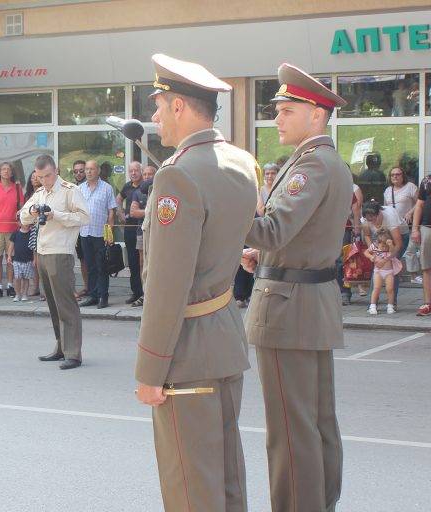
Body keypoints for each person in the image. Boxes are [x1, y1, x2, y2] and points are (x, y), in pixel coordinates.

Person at [134, 54, 257, 512]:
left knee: (190, 488)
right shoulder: (240, 161)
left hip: (187, 352)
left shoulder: (178, 174)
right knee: (226, 481)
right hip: (224, 337)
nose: (155, 117)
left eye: (158, 106)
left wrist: (150, 371)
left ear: (179, 106)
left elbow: (167, 286)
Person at [241, 63, 351, 512]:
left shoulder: (311, 165)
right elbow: (300, 238)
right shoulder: (327, 162)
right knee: (316, 421)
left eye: (287, 110)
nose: (277, 118)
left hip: (287, 309)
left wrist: (221, 208)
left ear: (316, 115)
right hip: (308, 301)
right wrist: (263, 256)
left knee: (290, 429)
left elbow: (272, 230)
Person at [20, 154, 89, 370]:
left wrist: (56, 215)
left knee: (66, 304)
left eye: (48, 176)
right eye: (40, 177)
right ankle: (61, 347)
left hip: (60, 252)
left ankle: (73, 353)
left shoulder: (69, 190)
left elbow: (84, 217)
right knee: (53, 305)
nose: (44, 181)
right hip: (42, 252)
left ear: (56, 170)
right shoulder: (40, 193)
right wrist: (32, 211)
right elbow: (22, 216)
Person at [77, 160, 116, 309]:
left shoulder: (107, 188)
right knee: (90, 266)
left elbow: (111, 212)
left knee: (102, 266)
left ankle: (103, 296)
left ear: (98, 171)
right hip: (85, 233)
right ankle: (93, 295)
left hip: (100, 234)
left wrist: (109, 235)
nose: (88, 172)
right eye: (86, 169)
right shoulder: (80, 189)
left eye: (91, 169)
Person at [0, 162, 24, 299]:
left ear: (12, 173)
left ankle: (10, 285)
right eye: (3, 169)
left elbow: (22, 208)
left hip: (12, 230)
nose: (6, 171)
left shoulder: (17, 188)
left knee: (10, 259)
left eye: (8, 169)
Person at [362, 200, 405, 306]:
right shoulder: (365, 219)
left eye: (373, 218)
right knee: (377, 266)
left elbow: (398, 244)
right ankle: (373, 302)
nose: (371, 221)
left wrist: (386, 259)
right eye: (368, 219)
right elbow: (367, 235)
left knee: (392, 266)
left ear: (379, 213)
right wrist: (374, 253)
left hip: (400, 236)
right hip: (380, 237)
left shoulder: (390, 217)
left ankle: (392, 302)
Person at [117, 161, 144, 304]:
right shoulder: (127, 186)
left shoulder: (146, 186)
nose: (133, 173)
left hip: (142, 228)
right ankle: (136, 292)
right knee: (133, 262)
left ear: (141, 171)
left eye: (136, 170)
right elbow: (118, 199)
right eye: (131, 171)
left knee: (142, 262)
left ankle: (145, 293)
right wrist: (120, 213)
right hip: (130, 228)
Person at [128, 165, 156, 307]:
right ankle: (145, 293)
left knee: (155, 262)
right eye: (144, 174)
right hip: (142, 232)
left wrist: (143, 212)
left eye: (150, 174)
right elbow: (133, 212)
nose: (146, 177)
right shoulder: (138, 192)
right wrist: (151, 212)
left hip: (157, 233)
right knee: (142, 263)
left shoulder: (160, 191)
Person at [365, 228, 402, 314]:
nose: (384, 247)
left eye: (386, 246)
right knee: (376, 288)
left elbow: (393, 252)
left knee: (390, 289)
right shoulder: (374, 246)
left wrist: (391, 245)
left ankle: (390, 306)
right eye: (382, 246)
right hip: (378, 271)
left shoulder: (389, 247)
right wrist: (371, 257)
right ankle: (372, 306)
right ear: (377, 243)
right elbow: (366, 252)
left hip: (389, 272)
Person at [383, 166, 417, 255]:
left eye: (398, 174)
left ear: (403, 176)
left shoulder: (410, 186)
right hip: (393, 228)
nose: (395, 176)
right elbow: (385, 208)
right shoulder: (387, 190)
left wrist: (410, 212)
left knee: (409, 252)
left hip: (408, 225)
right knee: (394, 252)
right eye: (392, 175)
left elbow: (420, 203)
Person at [412, 175, 431, 315]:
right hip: (427, 227)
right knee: (426, 266)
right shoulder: (427, 180)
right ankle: (428, 303)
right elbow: (419, 205)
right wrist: (415, 229)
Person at [71, 160, 90, 298]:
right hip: (77, 229)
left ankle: (95, 288)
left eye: (81, 171)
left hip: (90, 227)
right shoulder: (72, 187)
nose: (78, 173)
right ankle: (87, 287)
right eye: (75, 171)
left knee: (92, 260)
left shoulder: (91, 185)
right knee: (82, 258)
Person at [24, 170, 44, 300]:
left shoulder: (44, 192)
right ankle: (35, 287)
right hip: (31, 230)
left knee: (42, 262)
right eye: (32, 177)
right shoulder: (28, 195)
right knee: (34, 261)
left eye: (37, 177)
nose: (34, 179)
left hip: (43, 228)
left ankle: (44, 290)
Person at [7, 221, 34, 302]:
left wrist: (35, 259)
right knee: (17, 278)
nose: (26, 224)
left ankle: (25, 294)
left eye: (27, 222)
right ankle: (17, 294)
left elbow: (34, 248)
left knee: (26, 278)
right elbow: (11, 246)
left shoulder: (32, 234)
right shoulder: (15, 233)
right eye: (24, 222)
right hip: (17, 260)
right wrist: (9, 256)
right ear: (19, 223)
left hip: (28, 260)